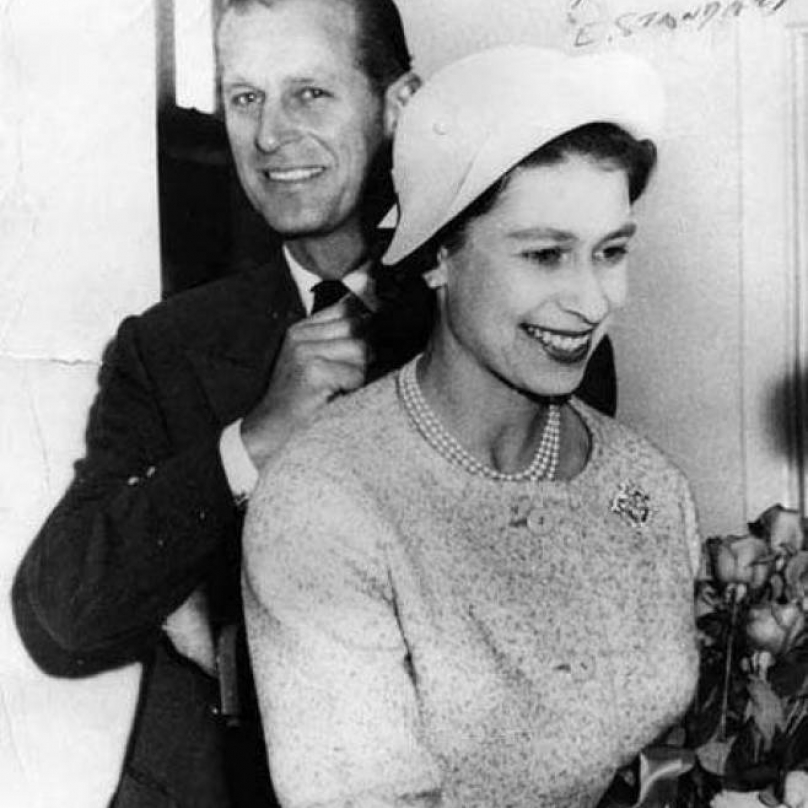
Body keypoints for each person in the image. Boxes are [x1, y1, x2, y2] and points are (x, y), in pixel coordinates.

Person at [243, 46, 701, 808]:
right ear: (437, 257)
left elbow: (668, 755)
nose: (593, 301)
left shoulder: (646, 489)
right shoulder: (325, 503)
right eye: (546, 254)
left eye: (611, 252)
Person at [11, 1, 423, 806]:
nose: (269, 135)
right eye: (245, 98)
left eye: (310, 94)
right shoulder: (168, 344)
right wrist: (253, 441)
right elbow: (62, 612)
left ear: (397, 104)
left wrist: (228, 644)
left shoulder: (493, 325)